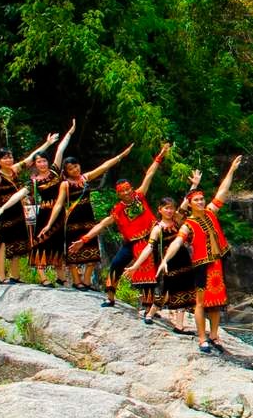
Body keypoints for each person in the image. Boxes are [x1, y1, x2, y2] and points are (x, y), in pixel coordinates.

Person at [69, 143, 171, 314]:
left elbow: (150, 174)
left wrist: (160, 156)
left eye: (127, 189)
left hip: (151, 240)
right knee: (116, 264)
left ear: (131, 188)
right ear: (118, 193)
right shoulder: (118, 210)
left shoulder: (139, 195)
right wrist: (84, 239)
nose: (126, 193)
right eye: (122, 191)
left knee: (151, 273)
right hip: (131, 243)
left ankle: (149, 307)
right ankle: (110, 298)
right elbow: (102, 224)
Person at [158, 156, 241, 354]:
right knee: (201, 303)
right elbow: (177, 242)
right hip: (201, 266)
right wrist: (164, 260)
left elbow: (222, 191)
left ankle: (214, 335)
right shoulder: (188, 224)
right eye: (196, 200)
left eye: (202, 198)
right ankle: (202, 338)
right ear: (191, 203)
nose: (201, 201)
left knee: (217, 302)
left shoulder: (211, 212)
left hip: (217, 262)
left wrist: (231, 170)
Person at [0, 133, 61, 283]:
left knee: (18, 244)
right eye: (5, 158)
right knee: (3, 243)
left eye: (10, 157)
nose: (9, 160)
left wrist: (48, 143)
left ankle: (15, 276)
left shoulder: (14, 169)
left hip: (19, 209)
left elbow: (32, 157)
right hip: (7, 211)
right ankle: (1, 277)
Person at [38, 144, 135, 291]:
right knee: (73, 253)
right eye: (71, 169)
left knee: (92, 252)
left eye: (76, 166)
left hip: (88, 220)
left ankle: (86, 281)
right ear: (66, 172)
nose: (75, 170)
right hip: (72, 221)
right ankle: (77, 281)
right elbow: (58, 205)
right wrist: (49, 224)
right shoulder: (65, 184)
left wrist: (121, 155)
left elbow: (103, 167)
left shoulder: (86, 178)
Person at [123, 170, 202, 334]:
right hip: (167, 262)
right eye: (166, 208)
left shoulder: (177, 220)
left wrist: (194, 184)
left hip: (183, 259)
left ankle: (178, 326)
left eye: (171, 208)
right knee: (167, 290)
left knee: (185, 290)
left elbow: (186, 203)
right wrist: (135, 266)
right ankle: (151, 313)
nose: (170, 211)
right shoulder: (158, 229)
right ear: (160, 210)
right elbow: (149, 248)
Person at [28, 120, 76, 286]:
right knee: (41, 242)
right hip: (44, 212)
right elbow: (21, 194)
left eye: (44, 161)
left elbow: (60, 149)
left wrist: (69, 133)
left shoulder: (55, 171)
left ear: (48, 162)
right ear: (35, 164)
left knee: (57, 243)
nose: (42, 164)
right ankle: (43, 278)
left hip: (60, 213)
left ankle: (61, 276)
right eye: (38, 162)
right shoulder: (34, 181)